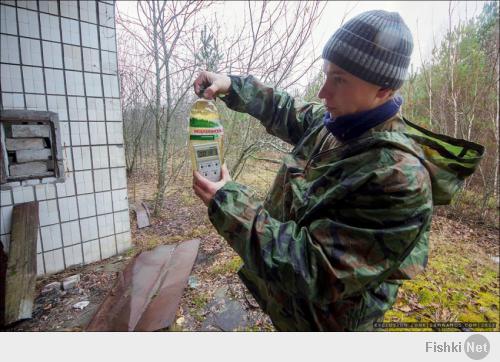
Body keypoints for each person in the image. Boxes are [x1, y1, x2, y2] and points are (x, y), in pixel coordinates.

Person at [191, 10, 484, 331]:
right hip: (293, 312)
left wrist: (230, 205)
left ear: (384, 90)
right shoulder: (337, 123)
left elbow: (315, 268)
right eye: (326, 73)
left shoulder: (398, 179)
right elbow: (285, 109)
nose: (323, 91)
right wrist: (232, 86)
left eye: (339, 79)